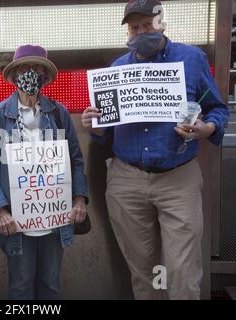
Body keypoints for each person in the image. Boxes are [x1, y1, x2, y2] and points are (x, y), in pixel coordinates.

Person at [81, 0, 229, 300]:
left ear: (161, 22)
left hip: (179, 178)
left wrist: (207, 128)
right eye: (135, 27)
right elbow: (104, 132)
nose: (140, 32)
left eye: (147, 25)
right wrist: (94, 127)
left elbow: (216, 108)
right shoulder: (117, 69)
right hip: (127, 180)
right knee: (143, 274)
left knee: (183, 273)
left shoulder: (192, 59)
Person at [0, 44, 88, 299]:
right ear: (13, 75)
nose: (30, 73)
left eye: (36, 68)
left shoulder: (59, 113)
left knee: (51, 286)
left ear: (45, 76)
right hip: (17, 223)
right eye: (24, 68)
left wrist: (79, 199)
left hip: (55, 220)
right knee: (21, 288)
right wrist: (0, 211)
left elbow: (76, 160)